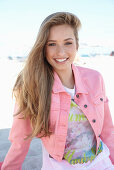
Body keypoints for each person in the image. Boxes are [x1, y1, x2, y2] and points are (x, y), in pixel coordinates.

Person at [1, 12, 114, 170]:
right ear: (43, 47)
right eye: (52, 44)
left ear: (77, 45)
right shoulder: (31, 86)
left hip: (101, 161)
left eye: (68, 43)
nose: (60, 52)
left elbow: (107, 130)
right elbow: (20, 140)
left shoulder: (95, 78)